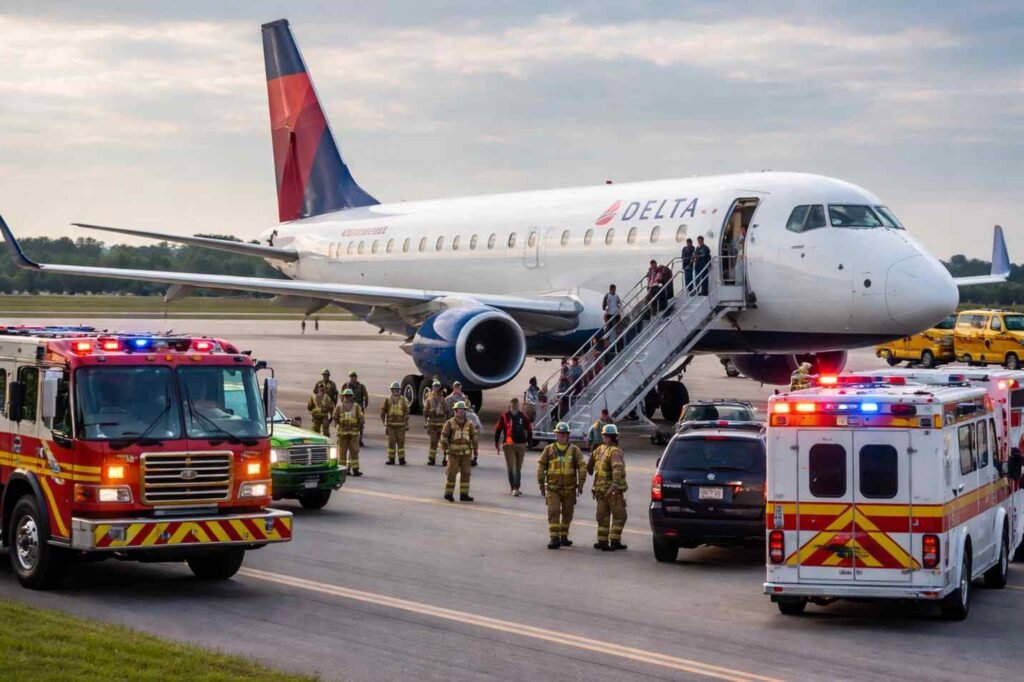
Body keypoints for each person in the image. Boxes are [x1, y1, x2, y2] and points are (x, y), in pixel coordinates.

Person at [537, 422, 587, 549]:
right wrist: (541, 484)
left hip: (569, 489)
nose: (562, 436)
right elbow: (541, 466)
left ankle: (564, 536)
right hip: (553, 489)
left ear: (568, 435)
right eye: (560, 434)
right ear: (556, 435)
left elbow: (582, 466)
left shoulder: (575, 450)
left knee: (568, 513)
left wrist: (581, 483)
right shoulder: (548, 450)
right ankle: (554, 538)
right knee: (553, 512)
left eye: (564, 434)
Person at [587, 423, 628, 551]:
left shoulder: (599, 450)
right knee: (620, 516)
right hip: (612, 492)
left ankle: (602, 541)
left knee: (602, 517)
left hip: (600, 490)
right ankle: (614, 541)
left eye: (604, 436)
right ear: (615, 437)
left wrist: (590, 469)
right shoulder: (615, 451)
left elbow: (590, 465)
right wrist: (614, 486)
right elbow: (617, 469)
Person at [441, 401, 478, 502]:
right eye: (459, 410)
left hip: (466, 454)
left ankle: (464, 494)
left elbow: (474, 437)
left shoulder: (469, 424)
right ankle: (448, 493)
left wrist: (475, 453)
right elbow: (444, 438)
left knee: (466, 473)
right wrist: (445, 452)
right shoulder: (449, 423)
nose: (461, 412)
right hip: (453, 453)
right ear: (455, 411)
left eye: (463, 410)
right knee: (451, 473)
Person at [495, 398, 533, 496]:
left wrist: (529, 442)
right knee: (512, 466)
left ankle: (516, 487)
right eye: (514, 404)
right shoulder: (505, 416)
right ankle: (514, 487)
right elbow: (498, 430)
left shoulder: (522, 416)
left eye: (516, 404)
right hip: (509, 444)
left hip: (520, 444)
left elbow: (529, 429)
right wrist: (497, 443)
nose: (515, 405)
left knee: (517, 467)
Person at [333, 388, 364, 476]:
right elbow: (335, 418)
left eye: (349, 396)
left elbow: (361, 418)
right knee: (342, 453)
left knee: (354, 452)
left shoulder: (357, 407)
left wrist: (359, 428)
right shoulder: (339, 407)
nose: (347, 397)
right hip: (342, 434)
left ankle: (355, 469)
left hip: (353, 434)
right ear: (343, 397)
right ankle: (342, 470)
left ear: (351, 397)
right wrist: (337, 426)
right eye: (346, 396)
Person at [380, 381, 410, 465]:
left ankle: (401, 459)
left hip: (401, 425)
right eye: (394, 389)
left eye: (397, 389)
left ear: (399, 390)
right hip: (391, 426)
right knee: (391, 443)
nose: (396, 391)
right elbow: (383, 411)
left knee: (401, 443)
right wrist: (384, 422)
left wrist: (406, 422)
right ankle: (391, 459)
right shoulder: (388, 400)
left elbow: (407, 412)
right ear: (392, 390)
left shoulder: (403, 400)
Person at [422, 380, 451, 465]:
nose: (436, 388)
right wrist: (425, 421)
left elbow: (447, 411)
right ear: (432, 388)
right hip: (432, 424)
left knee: (444, 442)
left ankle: (445, 459)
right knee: (433, 441)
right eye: (435, 387)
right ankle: (432, 459)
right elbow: (425, 412)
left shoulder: (443, 400)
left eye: (438, 387)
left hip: (441, 423)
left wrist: (447, 422)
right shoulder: (429, 400)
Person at [345, 371, 369, 446]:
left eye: (353, 377)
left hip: (359, 408)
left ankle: (360, 439)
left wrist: (364, 406)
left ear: (356, 377)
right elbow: (342, 396)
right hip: (349, 408)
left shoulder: (361, 387)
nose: (352, 379)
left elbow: (366, 396)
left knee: (360, 424)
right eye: (351, 377)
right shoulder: (346, 386)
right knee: (348, 422)